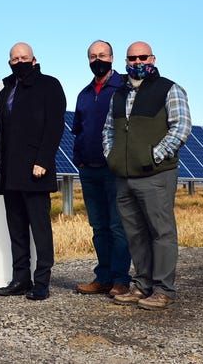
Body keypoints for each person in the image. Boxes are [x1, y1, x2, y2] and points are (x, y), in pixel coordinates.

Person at [0, 42, 66, 301]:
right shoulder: (7, 90)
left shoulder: (50, 85)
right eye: (14, 58)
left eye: (23, 57)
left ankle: (42, 282)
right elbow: (2, 133)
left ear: (34, 59)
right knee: (17, 229)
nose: (19, 61)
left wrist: (43, 161)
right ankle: (20, 279)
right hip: (10, 173)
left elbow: (55, 126)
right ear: (9, 62)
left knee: (40, 229)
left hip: (36, 171)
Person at [102, 41, 191, 310]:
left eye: (143, 57)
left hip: (156, 174)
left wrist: (155, 154)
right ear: (125, 61)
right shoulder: (119, 94)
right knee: (135, 233)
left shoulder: (169, 89)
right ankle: (142, 286)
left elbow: (181, 126)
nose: (137, 62)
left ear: (152, 58)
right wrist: (112, 155)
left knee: (161, 232)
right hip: (125, 175)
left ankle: (164, 289)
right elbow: (108, 130)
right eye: (132, 58)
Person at [72, 40, 131, 298]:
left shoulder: (124, 88)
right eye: (93, 56)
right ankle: (103, 276)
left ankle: (121, 279)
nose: (98, 60)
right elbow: (78, 129)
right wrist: (79, 158)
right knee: (99, 227)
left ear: (112, 57)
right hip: (89, 169)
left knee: (118, 227)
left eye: (103, 55)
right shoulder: (84, 94)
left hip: (114, 169)